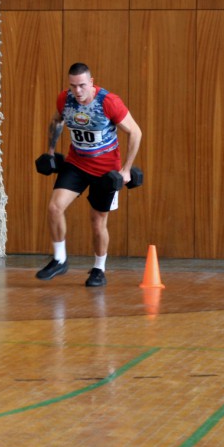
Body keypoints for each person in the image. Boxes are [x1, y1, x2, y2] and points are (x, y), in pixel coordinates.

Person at [36, 62, 142, 287]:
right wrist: (51, 153)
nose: (78, 91)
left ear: (91, 82)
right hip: (77, 164)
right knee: (54, 208)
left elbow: (135, 132)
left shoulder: (108, 102)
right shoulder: (65, 99)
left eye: (82, 85)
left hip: (106, 170)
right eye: (73, 86)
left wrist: (125, 170)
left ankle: (98, 269)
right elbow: (57, 120)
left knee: (97, 222)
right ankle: (60, 259)